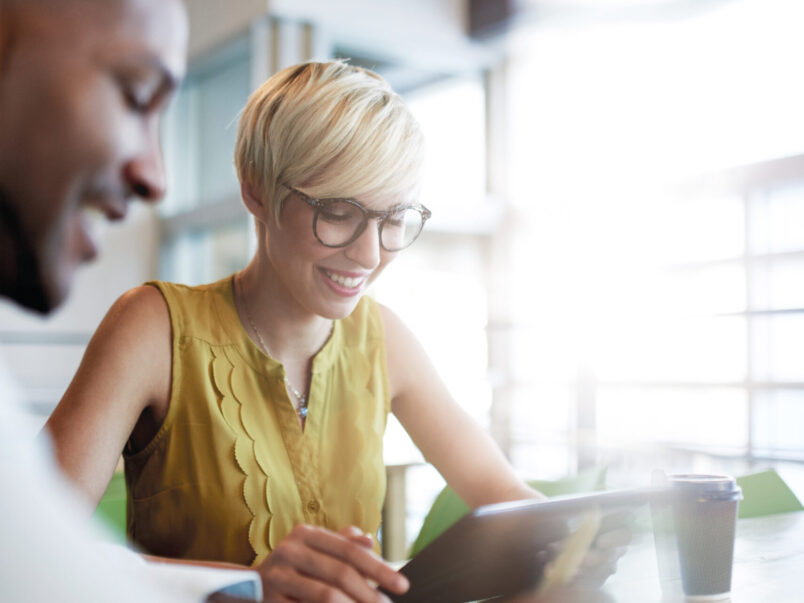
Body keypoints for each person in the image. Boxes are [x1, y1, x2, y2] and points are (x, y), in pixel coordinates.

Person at [46, 60, 621, 602]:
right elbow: (26, 546)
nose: (369, 254)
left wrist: (581, 543)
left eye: (393, 218)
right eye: (339, 213)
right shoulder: (151, 329)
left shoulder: (385, 340)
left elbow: (513, 506)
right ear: (255, 190)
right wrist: (247, 588)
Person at [0, 0, 256, 600]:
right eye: (136, 94)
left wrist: (259, 583)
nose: (156, 176)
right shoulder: (153, 321)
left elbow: (36, 552)